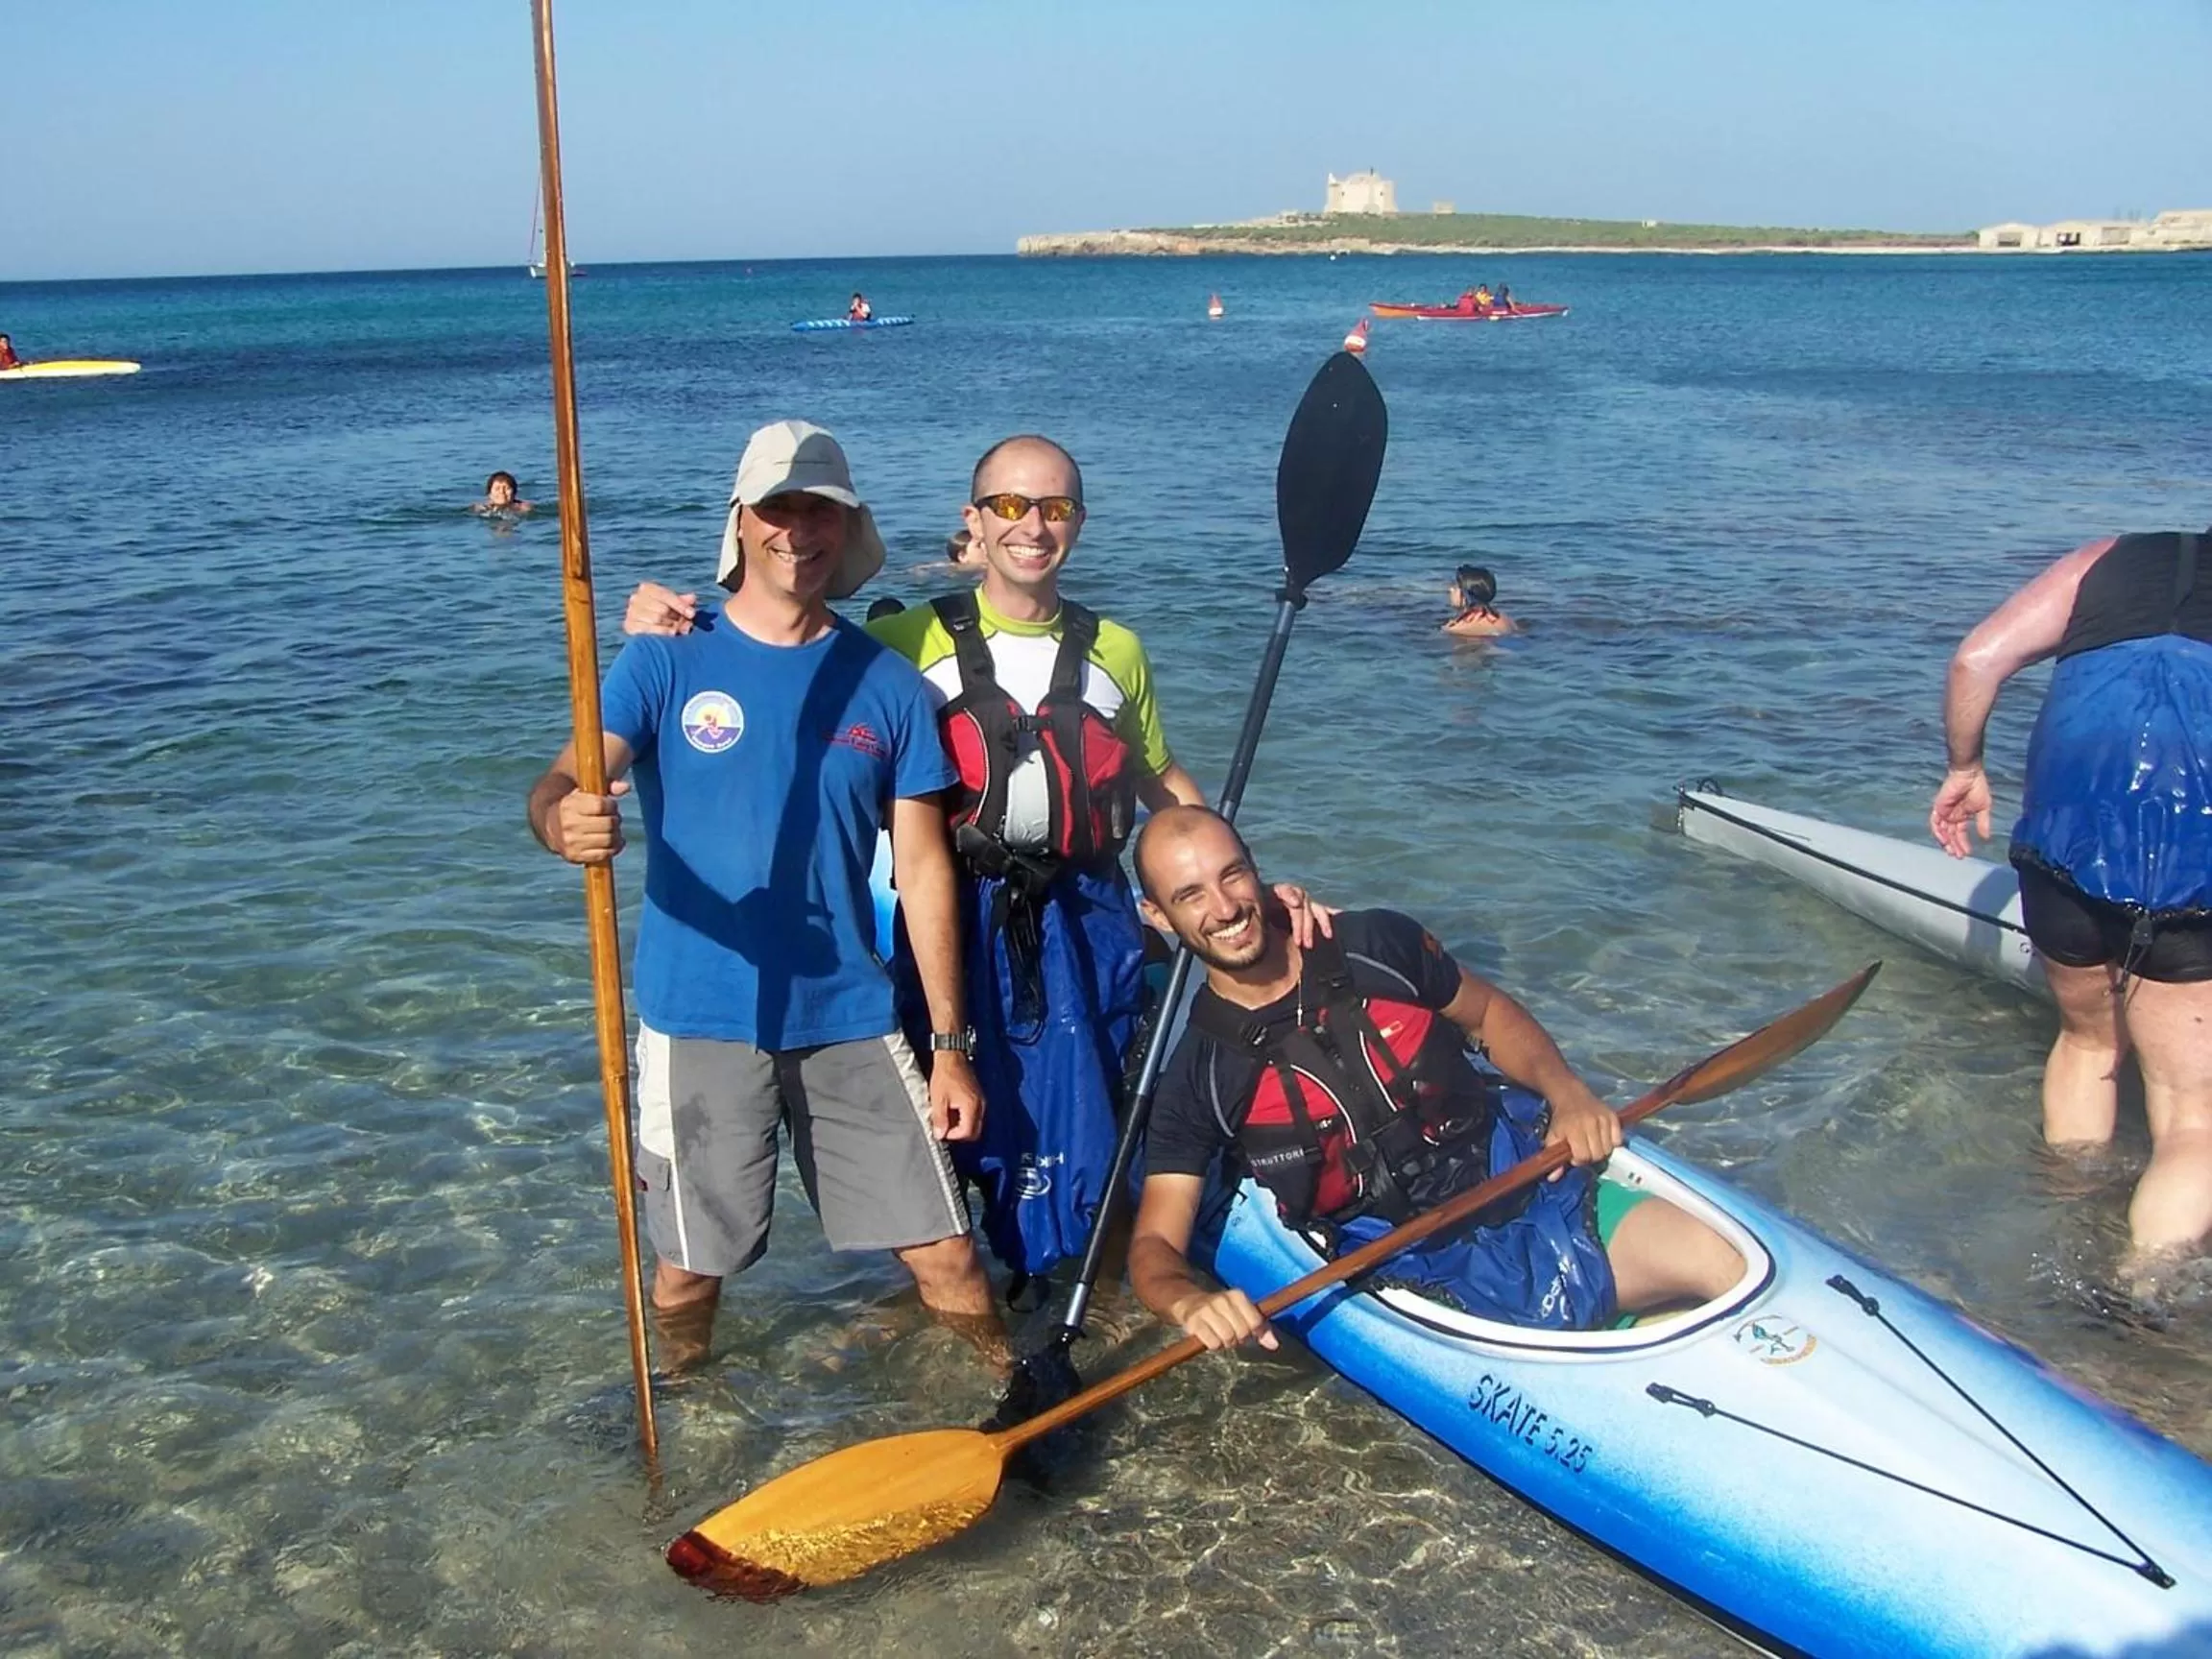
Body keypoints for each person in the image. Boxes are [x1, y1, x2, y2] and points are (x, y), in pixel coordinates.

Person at [624, 437, 1210, 1294]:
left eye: (1055, 508)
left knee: (1082, 1123)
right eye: (1009, 506)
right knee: (956, 1139)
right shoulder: (902, 640)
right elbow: (778, 638)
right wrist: (656, 617)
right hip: (956, 914)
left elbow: (1158, 775)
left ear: (1080, 522)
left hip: (1080, 918)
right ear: (973, 523)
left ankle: (1083, 1285)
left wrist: (1238, 881)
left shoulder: (1114, 648)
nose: (1032, 527)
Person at [527, 419, 998, 1369]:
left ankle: (1007, 1413)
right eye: (778, 507)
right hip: (698, 1015)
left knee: (949, 1256)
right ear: (741, 522)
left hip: (849, 1014)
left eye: (819, 509)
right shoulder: (665, 657)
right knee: (691, 1271)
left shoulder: (889, 687)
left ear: (846, 527)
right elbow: (564, 780)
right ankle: (683, 1419)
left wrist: (950, 1046)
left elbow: (922, 872)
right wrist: (561, 821)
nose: (798, 530)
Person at [1127, 805, 1745, 1351]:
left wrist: (1568, 1093)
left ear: (1255, 866)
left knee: (1718, 1262)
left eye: (1231, 874)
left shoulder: (1374, 943)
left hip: (1527, 1180)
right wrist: (1190, 1302)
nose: (1225, 907)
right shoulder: (1198, 1075)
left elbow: (1488, 1014)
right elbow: (1154, 1245)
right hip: (1404, 1261)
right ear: (1158, 915)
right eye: (1191, 895)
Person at [1931, 527, 2212, 1296]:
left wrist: (1964, 769)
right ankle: (2145, 1288)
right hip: (2194, 864)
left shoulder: (2107, 557)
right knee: (2192, 1112)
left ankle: (2066, 1214)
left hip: (2065, 842)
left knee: (2088, 1045)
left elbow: (1976, 659)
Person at [1443, 564, 1516, 638]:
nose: (1450, 589)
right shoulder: (1505, 619)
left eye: (1455, 586)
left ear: (1465, 595)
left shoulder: (1458, 630)